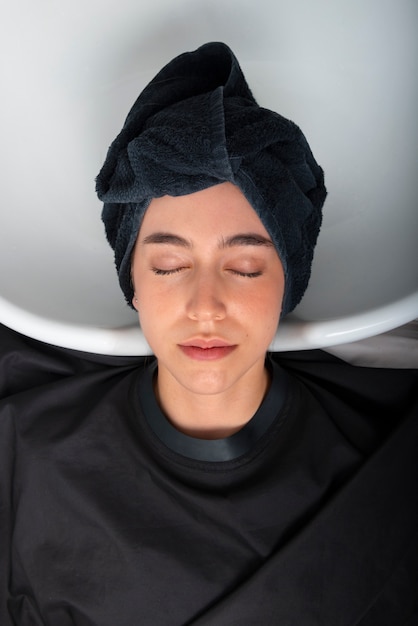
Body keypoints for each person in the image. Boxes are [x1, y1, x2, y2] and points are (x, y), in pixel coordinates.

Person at [0, 42, 417, 626]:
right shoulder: (23, 441)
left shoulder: (391, 457)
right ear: (133, 283)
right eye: (169, 267)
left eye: (245, 268)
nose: (206, 308)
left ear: (289, 280)